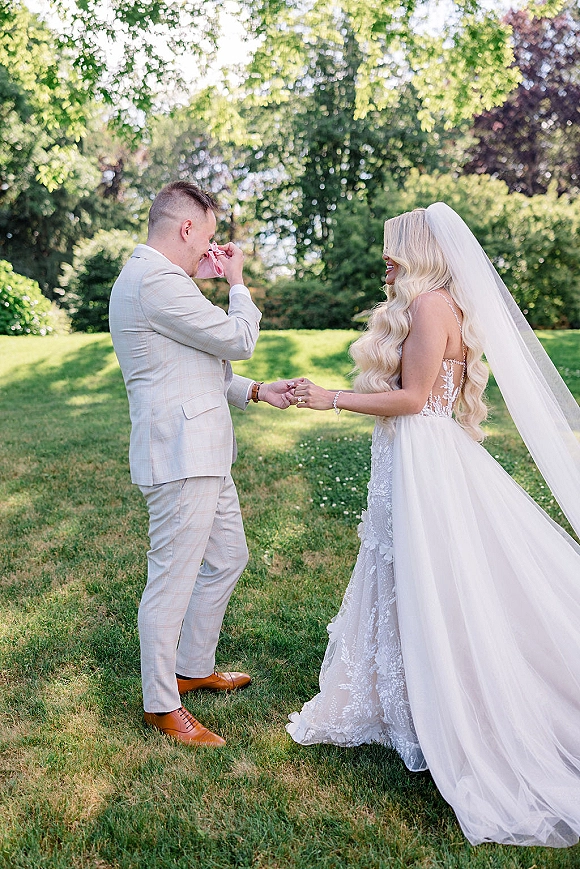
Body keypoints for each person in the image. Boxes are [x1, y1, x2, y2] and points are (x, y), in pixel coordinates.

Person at [286, 203, 580, 847]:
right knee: (397, 567)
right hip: (413, 455)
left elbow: (414, 399)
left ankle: (450, 702)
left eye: (394, 247)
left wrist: (330, 397)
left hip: (424, 458)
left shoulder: (431, 306)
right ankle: (403, 703)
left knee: (430, 575)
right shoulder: (435, 303)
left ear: (421, 249)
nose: (384, 258)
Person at [109, 181, 293, 747]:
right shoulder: (155, 281)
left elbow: (204, 369)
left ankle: (192, 668)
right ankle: (161, 704)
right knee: (172, 579)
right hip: (181, 456)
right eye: (207, 238)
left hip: (204, 452)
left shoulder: (160, 282)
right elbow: (238, 340)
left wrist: (260, 393)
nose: (208, 253)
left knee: (227, 557)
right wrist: (237, 282)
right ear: (187, 228)